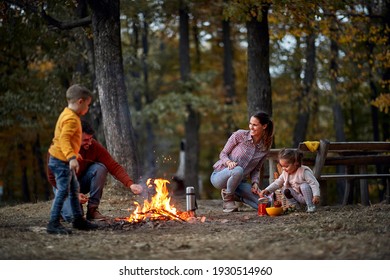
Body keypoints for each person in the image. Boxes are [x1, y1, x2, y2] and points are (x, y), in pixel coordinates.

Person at [48, 120, 144, 222]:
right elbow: (52, 177)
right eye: (86, 140)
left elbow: (113, 166)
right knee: (74, 217)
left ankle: (92, 210)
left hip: (81, 182)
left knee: (100, 168)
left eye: (91, 139)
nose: (89, 143)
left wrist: (130, 184)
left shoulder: (93, 146)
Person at [46, 84, 97, 234]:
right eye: (88, 105)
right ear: (80, 101)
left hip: (62, 158)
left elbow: (68, 140)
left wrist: (75, 153)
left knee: (74, 188)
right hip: (60, 161)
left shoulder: (68, 114)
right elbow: (64, 139)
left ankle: (78, 220)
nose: (87, 109)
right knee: (63, 191)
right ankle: (53, 223)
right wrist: (71, 157)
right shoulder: (71, 119)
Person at [210, 111, 274, 212]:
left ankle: (237, 195)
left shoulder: (265, 147)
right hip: (220, 175)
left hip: (239, 183)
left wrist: (255, 183)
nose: (251, 127)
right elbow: (223, 153)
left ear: (264, 126)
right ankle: (228, 199)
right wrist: (228, 162)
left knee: (265, 204)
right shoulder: (240, 135)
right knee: (238, 170)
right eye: (250, 124)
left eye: (255, 125)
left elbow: (257, 169)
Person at [260, 148, 320, 213]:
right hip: (297, 196)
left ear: (296, 163)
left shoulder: (303, 171)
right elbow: (277, 183)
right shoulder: (285, 173)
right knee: (285, 190)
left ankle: (310, 206)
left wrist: (316, 195)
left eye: (286, 166)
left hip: (308, 196)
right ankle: (297, 207)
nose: (283, 168)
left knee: (304, 186)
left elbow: (314, 183)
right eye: (282, 166)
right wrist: (267, 190)